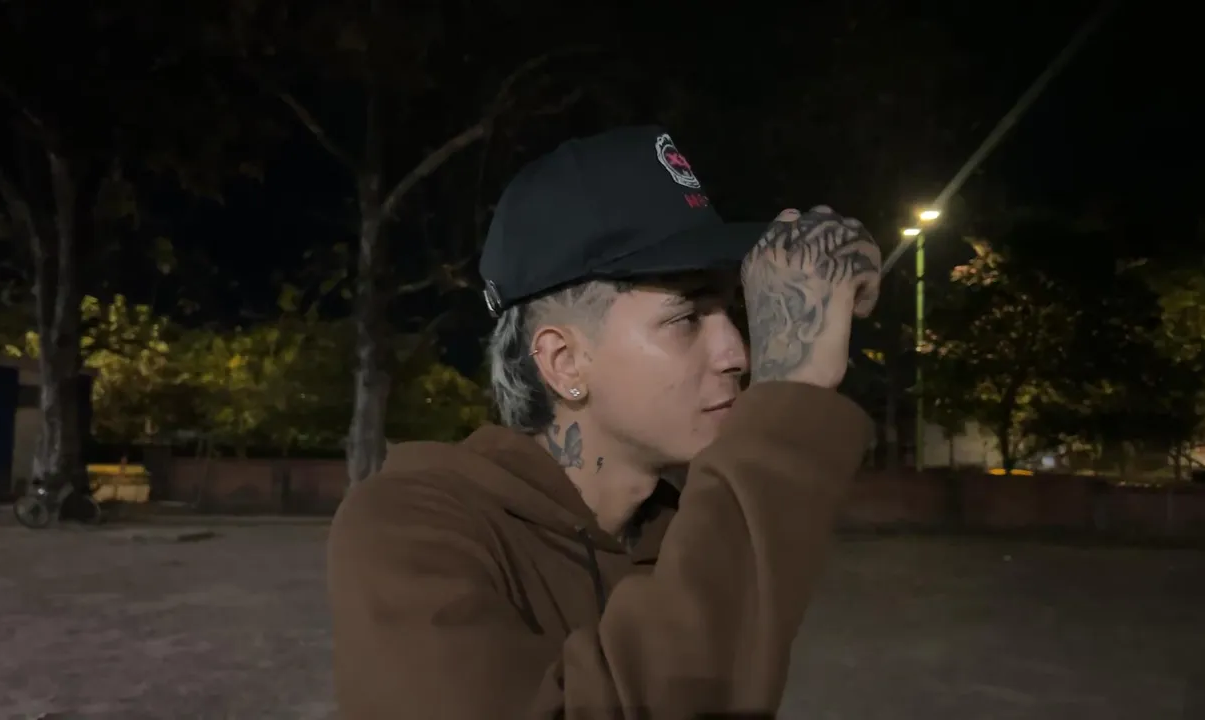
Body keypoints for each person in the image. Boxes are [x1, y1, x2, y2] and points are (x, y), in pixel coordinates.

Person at [328, 125, 881, 719]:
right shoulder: (412, 529)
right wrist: (790, 396)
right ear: (565, 361)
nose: (737, 354)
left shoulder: (690, 531)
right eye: (687, 317)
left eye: (731, 310)